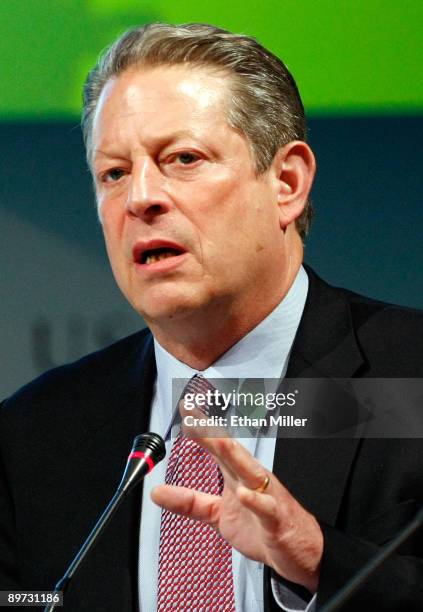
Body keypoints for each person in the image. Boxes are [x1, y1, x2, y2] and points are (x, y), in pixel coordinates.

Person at [1, 22, 422, 611]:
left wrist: (319, 559)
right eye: (114, 173)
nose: (140, 197)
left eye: (183, 158)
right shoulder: (36, 434)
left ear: (287, 183)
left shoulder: (412, 382)